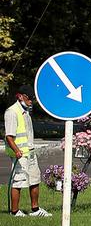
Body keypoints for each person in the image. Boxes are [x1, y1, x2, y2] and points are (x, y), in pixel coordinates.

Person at [5, 86, 50, 217]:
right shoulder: (12, 112)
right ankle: (15, 211)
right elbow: (9, 136)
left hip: (30, 152)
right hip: (20, 154)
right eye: (29, 98)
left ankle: (35, 210)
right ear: (20, 96)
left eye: (32, 99)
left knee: (35, 179)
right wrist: (17, 151)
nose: (31, 101)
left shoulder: (26, 111)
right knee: (18, 181)